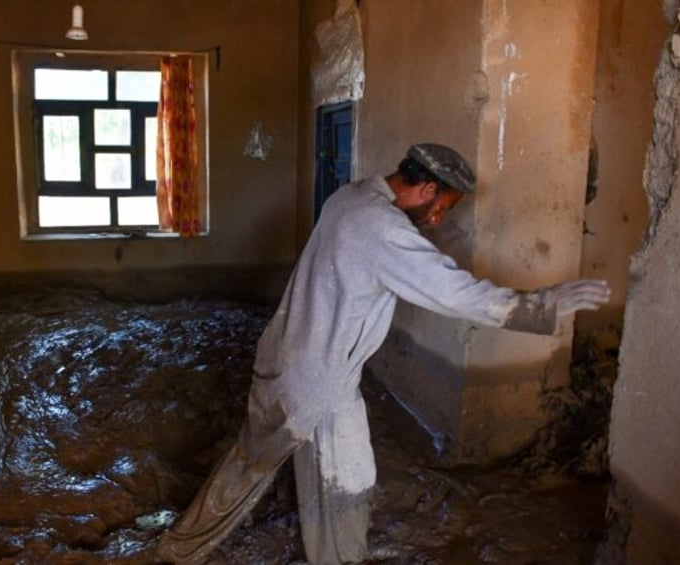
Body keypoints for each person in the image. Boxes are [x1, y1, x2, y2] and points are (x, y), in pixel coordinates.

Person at [155, 143, 611, 564]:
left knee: (251, 462)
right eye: (442, 208)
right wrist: (541, 306)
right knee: (344, 484)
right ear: (427, 188)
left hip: (284, 359)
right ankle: (316, 557)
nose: (436, 220)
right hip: (319, 382)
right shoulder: (383, 228)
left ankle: (179, 547)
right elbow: (455, 293)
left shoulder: (349, 197)